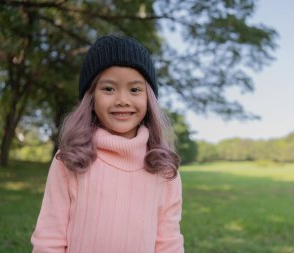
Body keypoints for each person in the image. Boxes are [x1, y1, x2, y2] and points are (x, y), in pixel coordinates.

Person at [31, 35, 184, 253]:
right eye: (109, 89)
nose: (122, 99)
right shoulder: (69, 161)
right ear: (91, 98)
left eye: (134, 89)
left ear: (149, 98)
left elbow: (168, 242)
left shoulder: (164, 168)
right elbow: (49, 238)